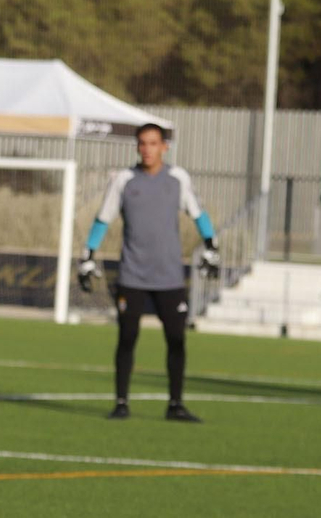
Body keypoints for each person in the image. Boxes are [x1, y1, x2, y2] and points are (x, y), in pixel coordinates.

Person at [79, 123, 219, 422]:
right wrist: (88, 255)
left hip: (169, 276)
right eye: (142, 143)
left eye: (153, 143)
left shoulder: (178, 178)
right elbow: (103, 219)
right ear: (136, 146)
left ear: (164, 147)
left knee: (176, 339)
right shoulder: (124, 180)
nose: (147, 149)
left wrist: (211, 246)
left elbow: (198, 213)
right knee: (127, 337)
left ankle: (175, 405)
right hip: (132, 275)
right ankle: (121, 403)